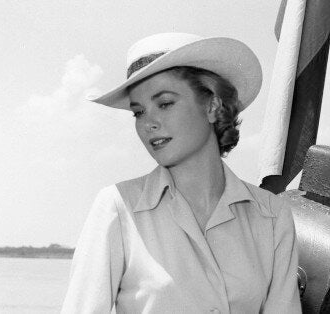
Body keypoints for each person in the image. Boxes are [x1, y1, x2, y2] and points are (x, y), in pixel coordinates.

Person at [62, 33, 301, 314]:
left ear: (212, 106)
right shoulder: (117, 207)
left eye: (164, 103)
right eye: (138, 112)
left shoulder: (272, 216)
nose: (148, 123)